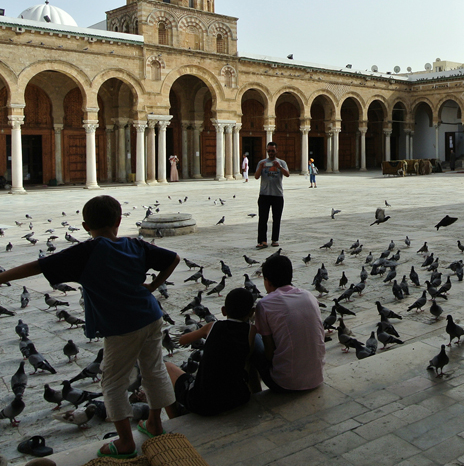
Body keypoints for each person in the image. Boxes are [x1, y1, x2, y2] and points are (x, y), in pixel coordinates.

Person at [0, 195, 179, 459]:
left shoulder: (86, 252)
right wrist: (153, 286)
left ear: (85, 226)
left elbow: (37, 266)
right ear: (119, 221)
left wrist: (1, 276)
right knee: (154, 370)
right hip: (152, 316)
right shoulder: (135, 244)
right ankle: (155, 423)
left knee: (112, 382)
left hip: (121, 327)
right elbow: (173, 258)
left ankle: (126, 442)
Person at [165, 288, 255, 416]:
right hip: (237, 398)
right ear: (252, 312)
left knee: (165, 367)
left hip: (202, 403)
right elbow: (247, 357)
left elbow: (183, 340)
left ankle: (174, 416)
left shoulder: (212, 326)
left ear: (223, 311)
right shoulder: (251, 331)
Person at [252, 255, 325, 392]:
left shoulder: (264, 304)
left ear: (267, 281)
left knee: (254, 339)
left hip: (286, 384)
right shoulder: (308, 295)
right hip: (317, 377)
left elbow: (269, 350)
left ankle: (255, 392)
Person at [254, 142, 289, 248]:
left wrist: (279, 167)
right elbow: (256, 176)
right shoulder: (262, 162)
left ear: (276, 151)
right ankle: (262, 241)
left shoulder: (281, 162)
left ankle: (275, 240)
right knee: (262, 219)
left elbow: (287, 174)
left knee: (277, 219)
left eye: (272, 151)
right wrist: (260, 167)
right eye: (268, 151)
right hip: (264, 194)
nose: (270, 153)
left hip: (277, 195)